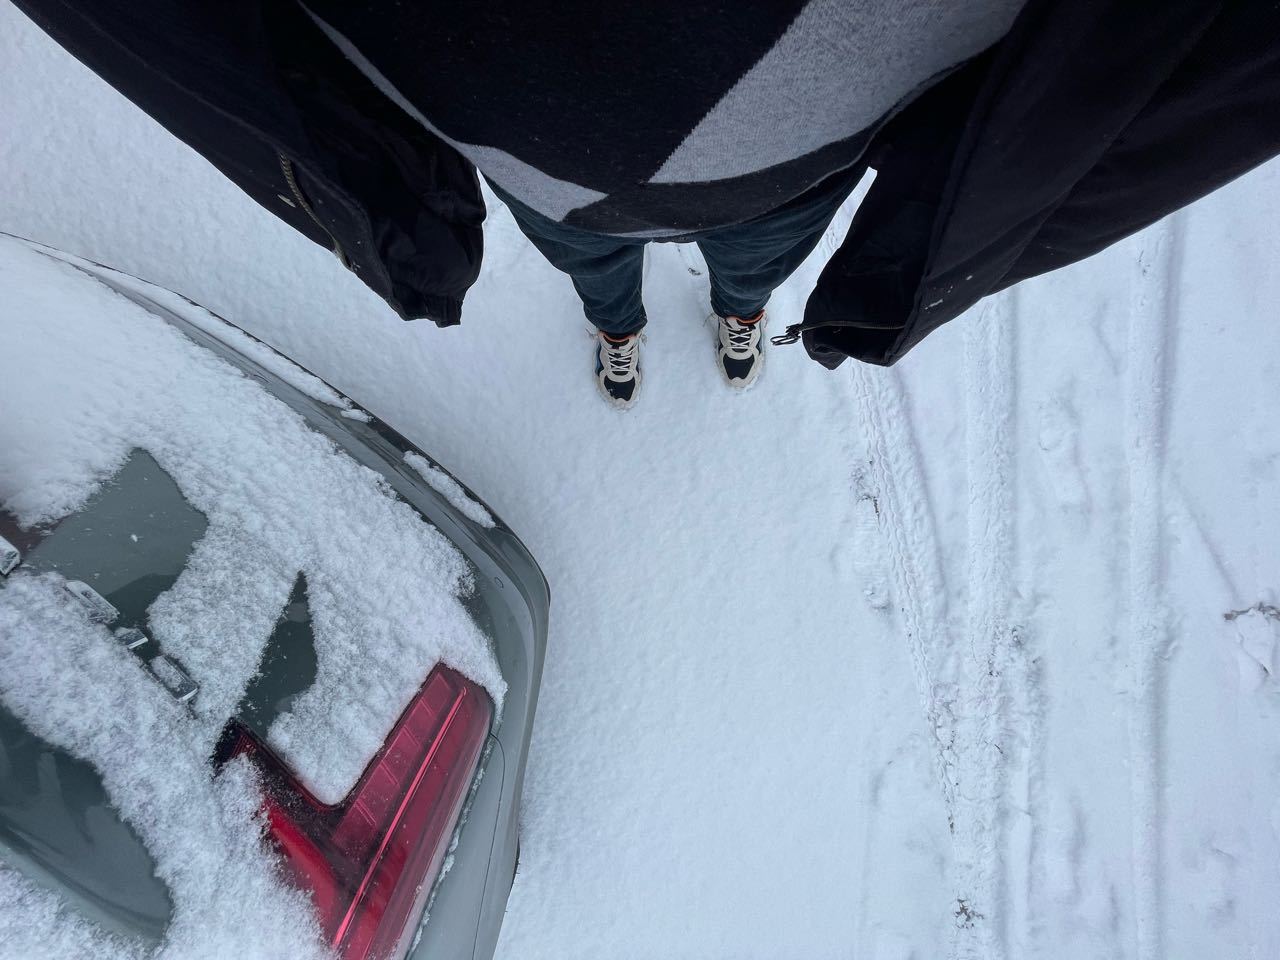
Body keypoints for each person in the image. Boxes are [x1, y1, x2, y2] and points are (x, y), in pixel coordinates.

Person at [15, 1, 1280, 409]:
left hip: (812, 150)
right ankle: (619, 325)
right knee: (589, 261)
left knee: (754, 257)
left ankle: (734, 317)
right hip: (532, 162)